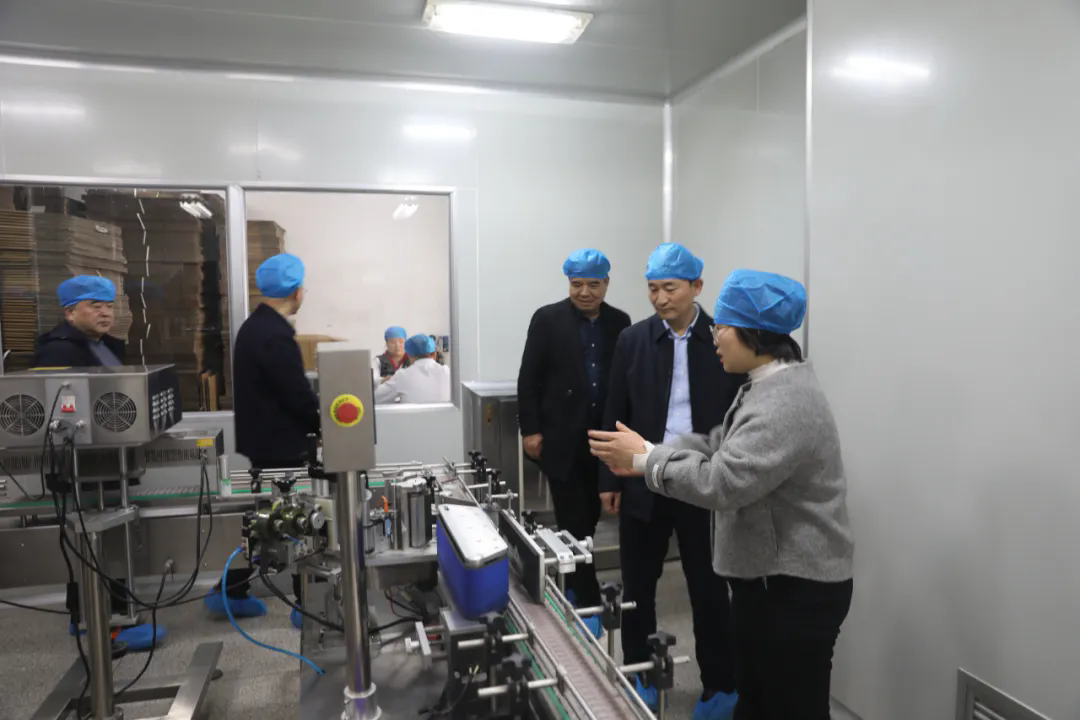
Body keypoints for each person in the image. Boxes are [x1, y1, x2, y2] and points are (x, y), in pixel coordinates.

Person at [589, 269, 854, 720]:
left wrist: (647, 459)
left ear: (756, 333)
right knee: (756, 700)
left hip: (795, 588)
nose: (714, 337)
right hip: (767, 579)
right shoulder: (765, 383)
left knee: (792, 707)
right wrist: (649, 451)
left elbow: (722, 482)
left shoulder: (784, 403)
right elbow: (719, 443)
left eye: (724, 328)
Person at [598, 243, 742, 719]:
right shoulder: (633, 340)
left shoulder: (721, 341)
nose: (660, 298)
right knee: (638, 586)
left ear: (697, 287)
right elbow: (614, 409)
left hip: (701, 479)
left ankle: (719, 686)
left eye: (670, 288)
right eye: (653, 288)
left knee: (708, 588)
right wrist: (609, 478)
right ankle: (638, 674)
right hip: (642, 476)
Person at [516, 249, 631, 638]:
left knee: (590, 519)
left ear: (606, 284)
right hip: (561, 439)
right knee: (574, 522)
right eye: (576, 284)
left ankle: (576, 586)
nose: (584, 292)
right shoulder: (547, 319)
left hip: (603, 440)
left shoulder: (620, 323)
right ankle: (586, 600)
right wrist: (531, 430)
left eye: (593, 284)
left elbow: (624, 379)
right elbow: (528, 379)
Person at [206, 253, 320, 629]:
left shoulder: (254, 327)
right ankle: (308, 605)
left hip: (265, 443)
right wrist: (324, 421)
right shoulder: (274, 334)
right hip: (281, 447)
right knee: (296, 522)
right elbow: (296, 395)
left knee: (268, 521)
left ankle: (230, 591)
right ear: (296, 290)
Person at [34, 276, 125, 367]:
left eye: (110, 306)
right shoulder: (58, 351)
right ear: (70, 312)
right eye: (97, 306)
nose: (106, 313)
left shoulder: (109, 345)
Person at [374, 334, 451, 404]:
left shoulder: (402, 376)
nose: (397, 346)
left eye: (400, 341)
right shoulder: (448, 372)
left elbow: (375, 398)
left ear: (409, 356)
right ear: (434, 354)